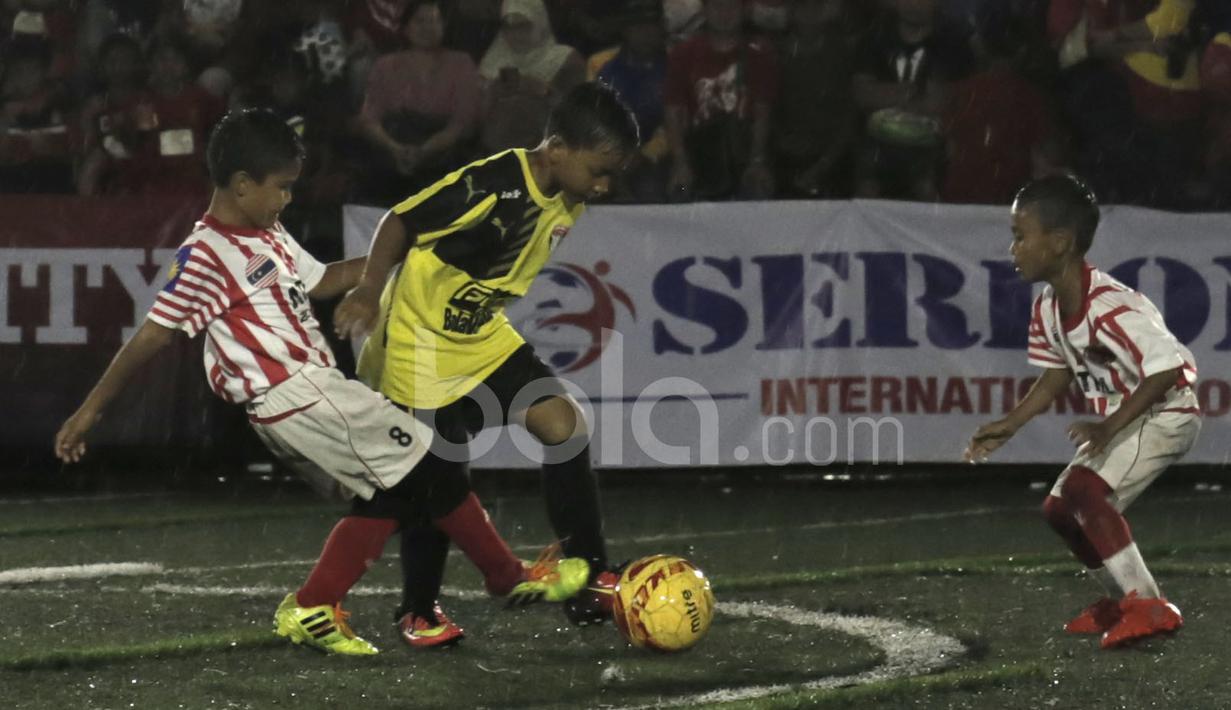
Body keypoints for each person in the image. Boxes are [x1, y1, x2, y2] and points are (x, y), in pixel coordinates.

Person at [53, 108, 589, 656]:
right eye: (281, 187)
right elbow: (153, 335)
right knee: (431, 467)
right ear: (243, 185)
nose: (287, 199)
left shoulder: (267, 232)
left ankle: (317, 604)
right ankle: (504, 574)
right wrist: (90, 411)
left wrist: (404, 258)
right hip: (295, 393)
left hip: (307, 393)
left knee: (396, 494)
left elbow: (325, 279)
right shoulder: (206, 255)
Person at [333, 83, 639, 636]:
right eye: (599, 171)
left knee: (563, 426)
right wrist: (368, 289)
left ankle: (590, 580)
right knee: (438, 477)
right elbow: (401, 220)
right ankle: (418, 609)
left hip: (477, 335)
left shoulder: (567, 191)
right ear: (556, 149)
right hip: (419, 342)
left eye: (611, 175)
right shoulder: (497, 184)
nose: (604, 186)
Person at [964, 174, 1200, 649]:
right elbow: (1057, 374)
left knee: (1083, 492)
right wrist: (1011, 424)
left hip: (1166, 412)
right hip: (1129, 417)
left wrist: (1108, 426)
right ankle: (1120, 601)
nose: (1013, 248)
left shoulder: (1110, 306)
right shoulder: (1048, 306)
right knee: (1059, 511)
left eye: (1020, 235)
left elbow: (1167, 370)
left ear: (1060, 242)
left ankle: (1149, 606)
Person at [356, 0, 482, 204]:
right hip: (391, 146)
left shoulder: (461, 63)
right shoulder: (385, 65)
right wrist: (395, 149)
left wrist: (424, 151)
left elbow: (462, 122)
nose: (428, 28)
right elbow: (369, 119)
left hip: (443, 150)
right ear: (406, 27)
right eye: (420, 21)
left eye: (434, 21)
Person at [663, 0, 779, 200]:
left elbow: (762, 113)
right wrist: (680, 163)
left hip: (744, 154)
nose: (724, 13)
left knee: (758, 193)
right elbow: (673, 113)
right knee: (678, 194)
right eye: (717, 6)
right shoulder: (683, 53)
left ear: (744, 11)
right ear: (704, 10)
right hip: (698, 155)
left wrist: (757, 161)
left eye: (732, 6)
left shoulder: (759, 53)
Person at [477, 0, 586, 152]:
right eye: (508, 26)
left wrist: (544, 91)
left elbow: (579, 114)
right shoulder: (495, 57)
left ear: (539, 22)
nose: (515, 34)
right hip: (493, 150)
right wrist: (491, 92)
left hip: (545, 149)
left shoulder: (566, 60)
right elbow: (474, 115)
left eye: (522, 25)